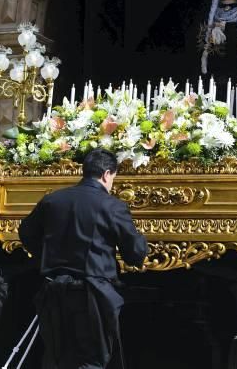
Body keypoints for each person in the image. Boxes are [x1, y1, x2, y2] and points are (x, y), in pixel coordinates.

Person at [19, 148, 148, 369]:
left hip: (54, 290)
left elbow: (26, 233)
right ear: (107, 174)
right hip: (93, 295)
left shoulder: (52, 201)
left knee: (57, 358)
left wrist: (46, 256)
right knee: (93, 360)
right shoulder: (112, 205)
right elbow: (135, 253)